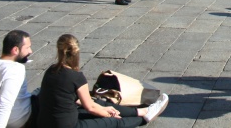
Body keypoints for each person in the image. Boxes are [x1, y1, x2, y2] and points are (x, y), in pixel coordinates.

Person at [37, 34, 169, 127]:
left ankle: (141, 111)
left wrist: (103, 108)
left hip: (45, 123)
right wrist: (107, 114)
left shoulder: (50, 70)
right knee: (114, 122)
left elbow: (79, 101)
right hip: (70, 125)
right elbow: (90, 108)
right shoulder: (76, 77)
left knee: (99, 103)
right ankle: (144, 119)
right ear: (76, 53)